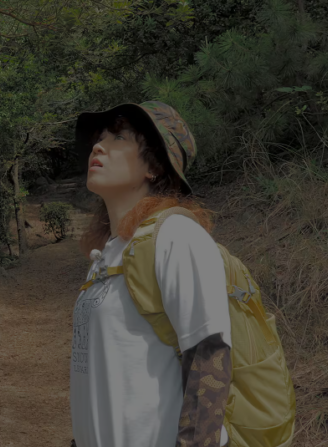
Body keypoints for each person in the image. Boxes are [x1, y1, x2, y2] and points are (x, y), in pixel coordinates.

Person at [69, 101, 232, 447]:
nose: (99, 146)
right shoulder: (109, 253)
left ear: (155, 166)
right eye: (100, 137)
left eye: (118, 138)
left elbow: (209, 359)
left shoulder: (176, 236)